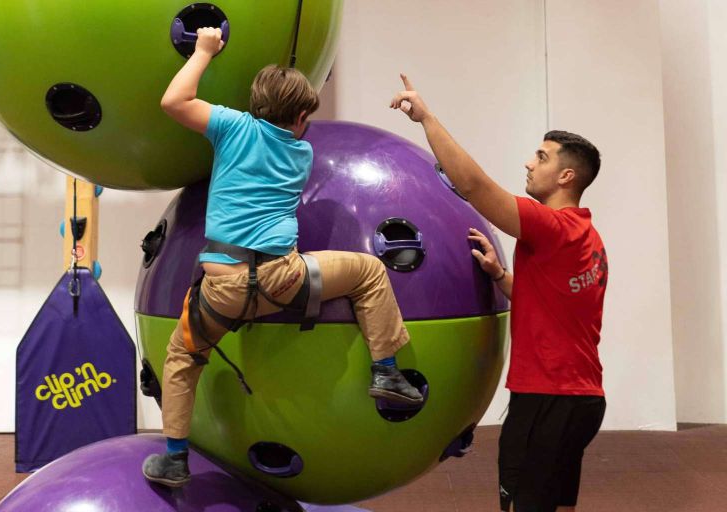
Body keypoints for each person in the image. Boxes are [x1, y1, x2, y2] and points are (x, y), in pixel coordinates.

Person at [141, 29, 423, 488]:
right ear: (302, 117)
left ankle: (174, 459)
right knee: (370, 271)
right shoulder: (301, 152)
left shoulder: (233, 127)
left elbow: (174, 101)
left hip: (222, 289)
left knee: (181, 358)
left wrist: (204, 51)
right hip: (285, 280)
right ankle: (387, 373)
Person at [391, 74, 607, 512]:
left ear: (566, 175)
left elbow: (473, 186)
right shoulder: (587, 236)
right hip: (581, 398)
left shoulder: (551, 227)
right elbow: (552, 303)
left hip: (547, 399)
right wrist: (499, 276)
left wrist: (427, 119)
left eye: (541, 157)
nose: (529, 163)